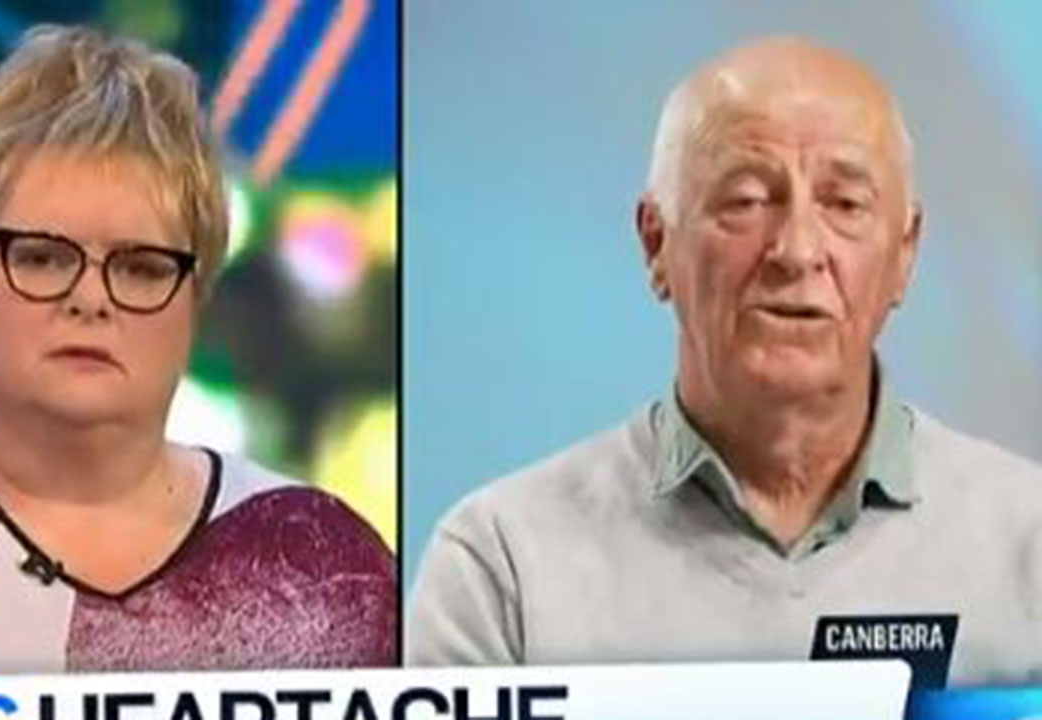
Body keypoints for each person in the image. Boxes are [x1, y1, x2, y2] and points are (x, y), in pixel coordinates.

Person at [407, 37, 1042, 686]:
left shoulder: (1028, 544)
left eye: (845, 204)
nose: (797, 250)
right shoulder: (503, 565)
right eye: (746, 201)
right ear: (656, 242)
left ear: (905, 253)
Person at [0, 25, 396, 675]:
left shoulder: (326, 570)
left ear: (195, 305)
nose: (91, 299)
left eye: (142, 267)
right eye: (41, 257)